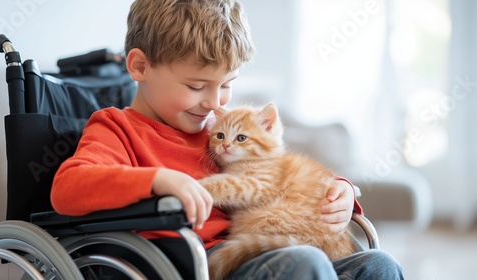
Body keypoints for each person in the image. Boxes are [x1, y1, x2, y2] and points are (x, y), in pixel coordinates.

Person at [51, 0, 404, 279]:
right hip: (194, 263)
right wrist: (158, 179)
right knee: (303, 263)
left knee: (378, 265)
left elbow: (275, 171)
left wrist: (339, 191)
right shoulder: (117, 128)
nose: (215, 101)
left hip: (260, 248)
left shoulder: (216, 132)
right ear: (140, 67)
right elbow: (66, 189)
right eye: (196, 86)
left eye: (227, 85)